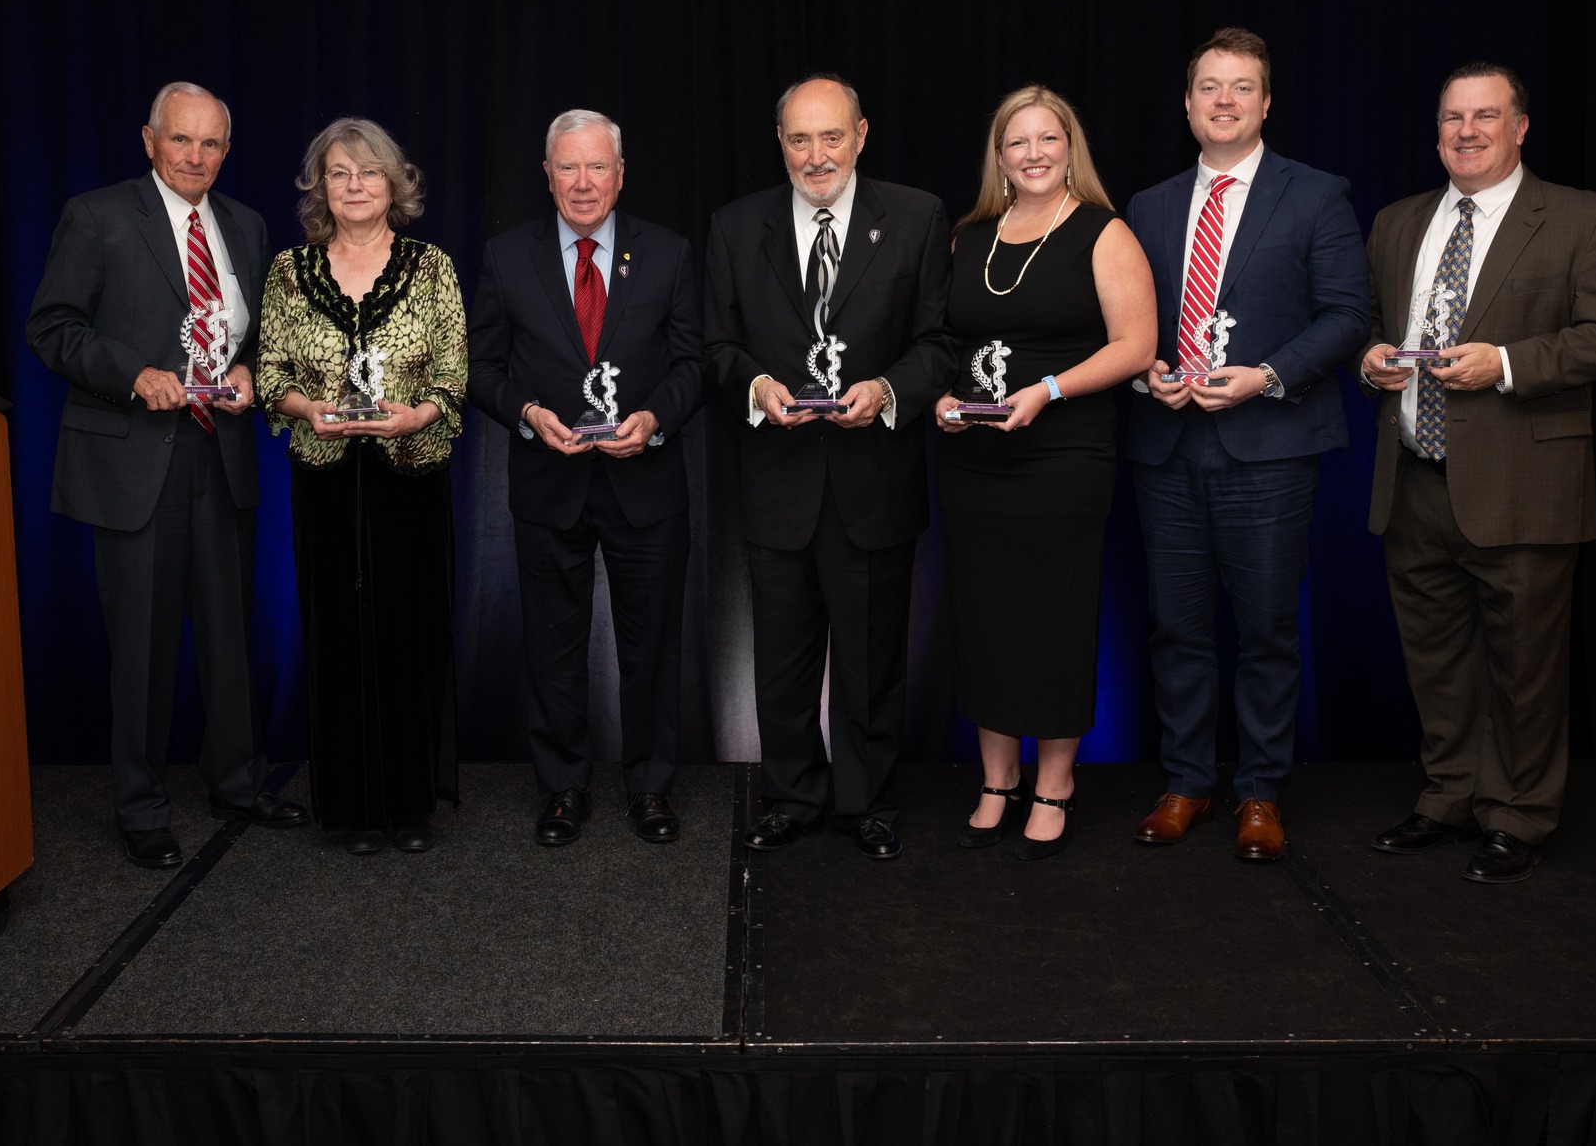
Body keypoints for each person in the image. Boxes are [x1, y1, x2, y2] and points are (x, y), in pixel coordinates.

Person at [1360, 63, 1596, 884]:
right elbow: (1375, 325)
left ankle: (1518, 813)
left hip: (1525, 480)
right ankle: (1449, 794)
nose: (1467, 131)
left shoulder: (1587, 220)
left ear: (1522, 127)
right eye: (1452, 117)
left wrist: (1507, 363)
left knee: (1525, 663)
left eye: (1486, 115)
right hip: (1415, 475)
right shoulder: (1397, 222)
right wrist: (1367, 356)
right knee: (1435, 657)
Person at [27, 81, 309, 868]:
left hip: (220, 450)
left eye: (211, 143)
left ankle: (238, 782)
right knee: (142, 645)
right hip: (134, 456)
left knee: (229, 635)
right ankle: (141, 806)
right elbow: (51, 327)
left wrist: (252, 370)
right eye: (180, 140)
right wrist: (132, 373)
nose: (196, 156)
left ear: (227, 149)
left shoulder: (247, 226)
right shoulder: (99, 215)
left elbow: (253, 335)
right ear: (149, 141)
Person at [1126, 29, 1371, 862]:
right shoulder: (1149, 205)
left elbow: (1346, 315)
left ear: (1266, 103)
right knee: (1177, 627)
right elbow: (1128, 328)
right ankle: (1188, 780)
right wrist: (1146, 373)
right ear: (1187, 103)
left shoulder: (1315, 195)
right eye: (1208, 86)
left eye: (1242, 87)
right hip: (1167, 446)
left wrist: (1266, 374)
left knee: (1266, 628)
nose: (1224, 100)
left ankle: (1261, 789)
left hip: (1268, 446)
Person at [704, 74, 954, 860]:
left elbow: (941, 342)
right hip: (778, 474)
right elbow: (715, 345)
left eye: (831, 136)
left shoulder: (915, 218)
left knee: (872, 658)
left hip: (872, 474)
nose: (816, 156)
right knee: (779, 657)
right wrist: (754, 385)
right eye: (799, 139)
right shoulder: (736, 227)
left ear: (862, 134)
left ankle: (864, 799)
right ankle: (790, 794)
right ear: (780, 144)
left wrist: (886, 389)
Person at [468, 109, 704, 846]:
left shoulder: (667, 254)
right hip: (550, 482)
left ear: (620, 173)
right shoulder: (509, 257)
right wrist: (528, 411)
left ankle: (651, 788)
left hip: (647, 484)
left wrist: (655, 422)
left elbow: (695, 363)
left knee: (653, 646)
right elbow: (478, 366)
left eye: (596, 166)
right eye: (566, 167)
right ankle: (564, 788)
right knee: (553, 646)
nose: (582, 182)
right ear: (546, 174)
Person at [933, 86, 1157, 861]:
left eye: (1047, 139)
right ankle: (996, 781)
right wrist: (943, 396)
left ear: (1071, 148)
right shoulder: (971, 238)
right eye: (1016, 142)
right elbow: (946, 339)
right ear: (998, 156)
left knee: (1053, 616)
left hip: (1062, 457)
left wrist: (1048, 390)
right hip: (973, 458)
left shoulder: (1104, 232)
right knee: (985, 615)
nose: (1032, 154)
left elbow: (1135, 345)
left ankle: (1054, 783)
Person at [256, 117, 468, 855]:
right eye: (340, 173)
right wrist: (308, 408)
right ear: (321, 185)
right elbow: (269, 374)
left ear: (394, 183)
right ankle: (349, 808)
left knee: (410, 634)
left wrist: (418, 414)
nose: (354, 186)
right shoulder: (289, 271)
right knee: (337, 639)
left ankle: (410, 806)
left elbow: (454, 374)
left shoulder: (432, 266)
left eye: (369, 172)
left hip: (410, 478)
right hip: (324, 480)